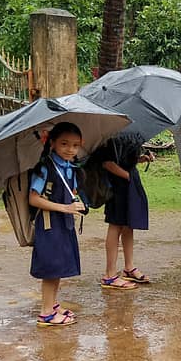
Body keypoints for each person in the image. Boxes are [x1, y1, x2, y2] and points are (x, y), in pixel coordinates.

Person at [29, 122, 88, 326]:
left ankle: (53, 304)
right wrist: (65, 208)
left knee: (60, 265)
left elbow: (71, 193)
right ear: (52, 143)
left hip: (64, 224)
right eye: (64, 144)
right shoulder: (45, 167)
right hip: (49, 225)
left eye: (75, 145)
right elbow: (33, 199)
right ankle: (46, 313)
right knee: (51, 268)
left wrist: (78, 203)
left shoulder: (71, 168)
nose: (70, 149)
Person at [97, 135, 154, 289]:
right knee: (115, 225)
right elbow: (107, 163)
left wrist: (141, 159)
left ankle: (129, 267)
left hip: (129, 184)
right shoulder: (112, 134)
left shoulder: (131, 133)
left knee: (129, 224)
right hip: (117, 187)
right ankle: (109, 275)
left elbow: (125, 159)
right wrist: (128, 176)